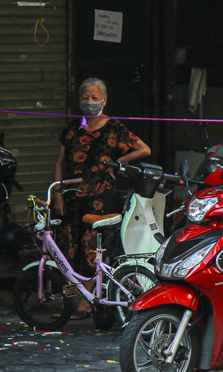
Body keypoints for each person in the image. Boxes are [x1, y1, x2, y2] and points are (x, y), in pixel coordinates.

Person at [53, 77, 151, 319]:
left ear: (104, 100)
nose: (89, 101)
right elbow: (60, 163)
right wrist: (57, 194)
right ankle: (70, 302)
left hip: (99, 196)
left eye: (94, 98)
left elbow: (144, 149)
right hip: (71, 196)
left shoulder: (114, 128)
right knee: (68, 249)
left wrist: (117, 163)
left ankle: (86, 304)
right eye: (85, 97)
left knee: (90, 250)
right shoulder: (73, 129)